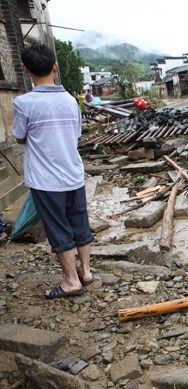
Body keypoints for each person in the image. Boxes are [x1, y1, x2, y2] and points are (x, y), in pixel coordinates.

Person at [12, 42, 95, 299]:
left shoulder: (24, 102)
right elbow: (75, 134)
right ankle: (86, 272)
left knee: (58, 228)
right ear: (55, 66)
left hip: (46, 180)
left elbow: (19, 136)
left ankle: (71, 282)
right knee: (79, 221)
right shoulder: (71, 100)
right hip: (73, 173)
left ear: (26, 69)